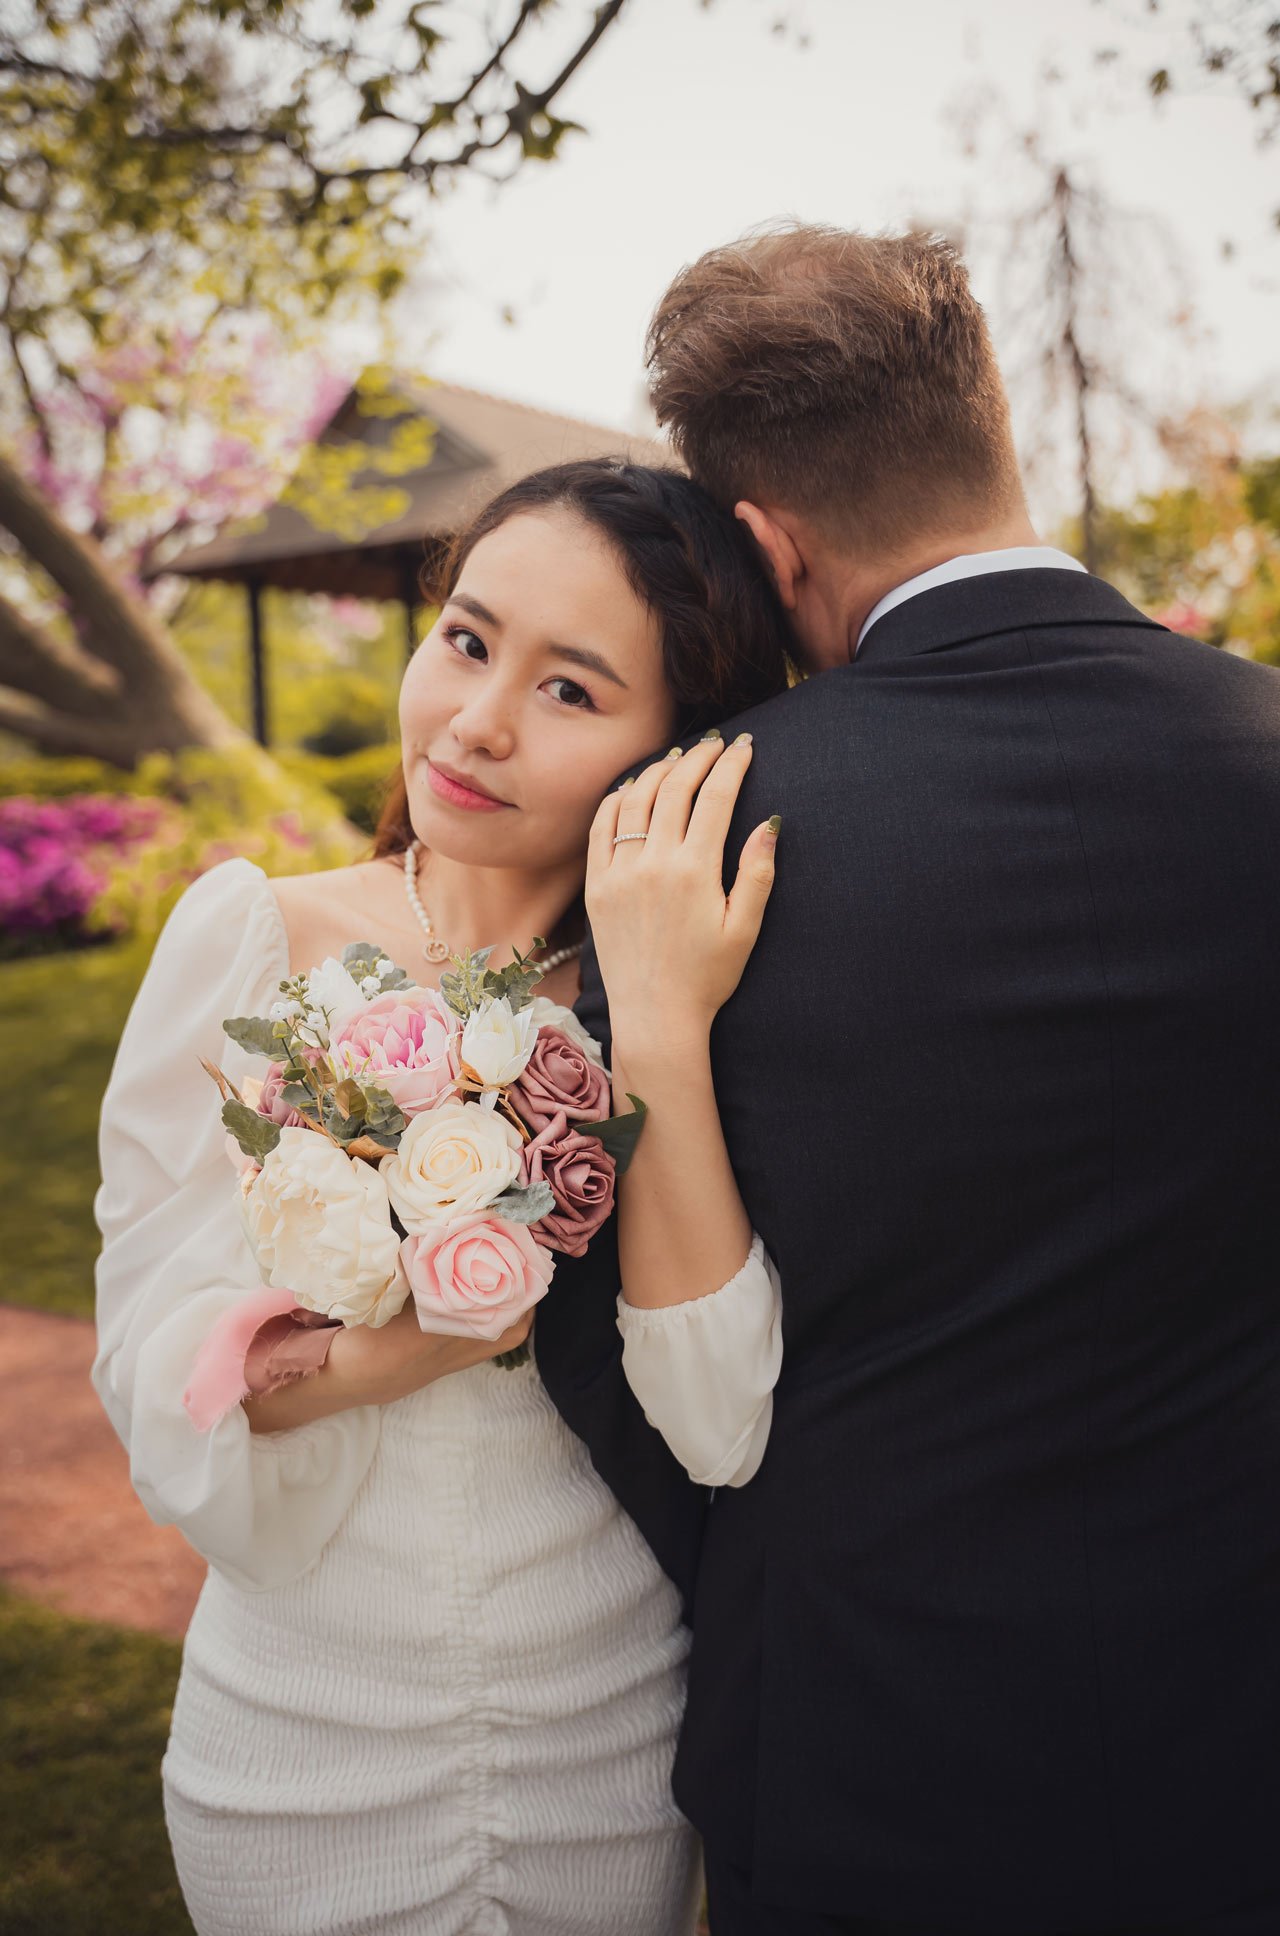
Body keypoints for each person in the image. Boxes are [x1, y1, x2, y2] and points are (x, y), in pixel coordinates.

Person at [536, 227, 1280, 1935]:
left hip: (865, 1747)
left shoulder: (687, 832)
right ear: (992, 427)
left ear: (766, 542)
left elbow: (598, 1329)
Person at [90, 457, 791, 1936]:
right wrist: (392, 1350)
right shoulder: (255, 942)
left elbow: (722, 1417)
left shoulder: (690, 1002)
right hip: (299, 1733)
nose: (475, 721)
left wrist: (654, 1032)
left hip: (604, 1742)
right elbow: (161, 1361)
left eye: (571, 692)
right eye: (468, 640)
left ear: (674, 745)